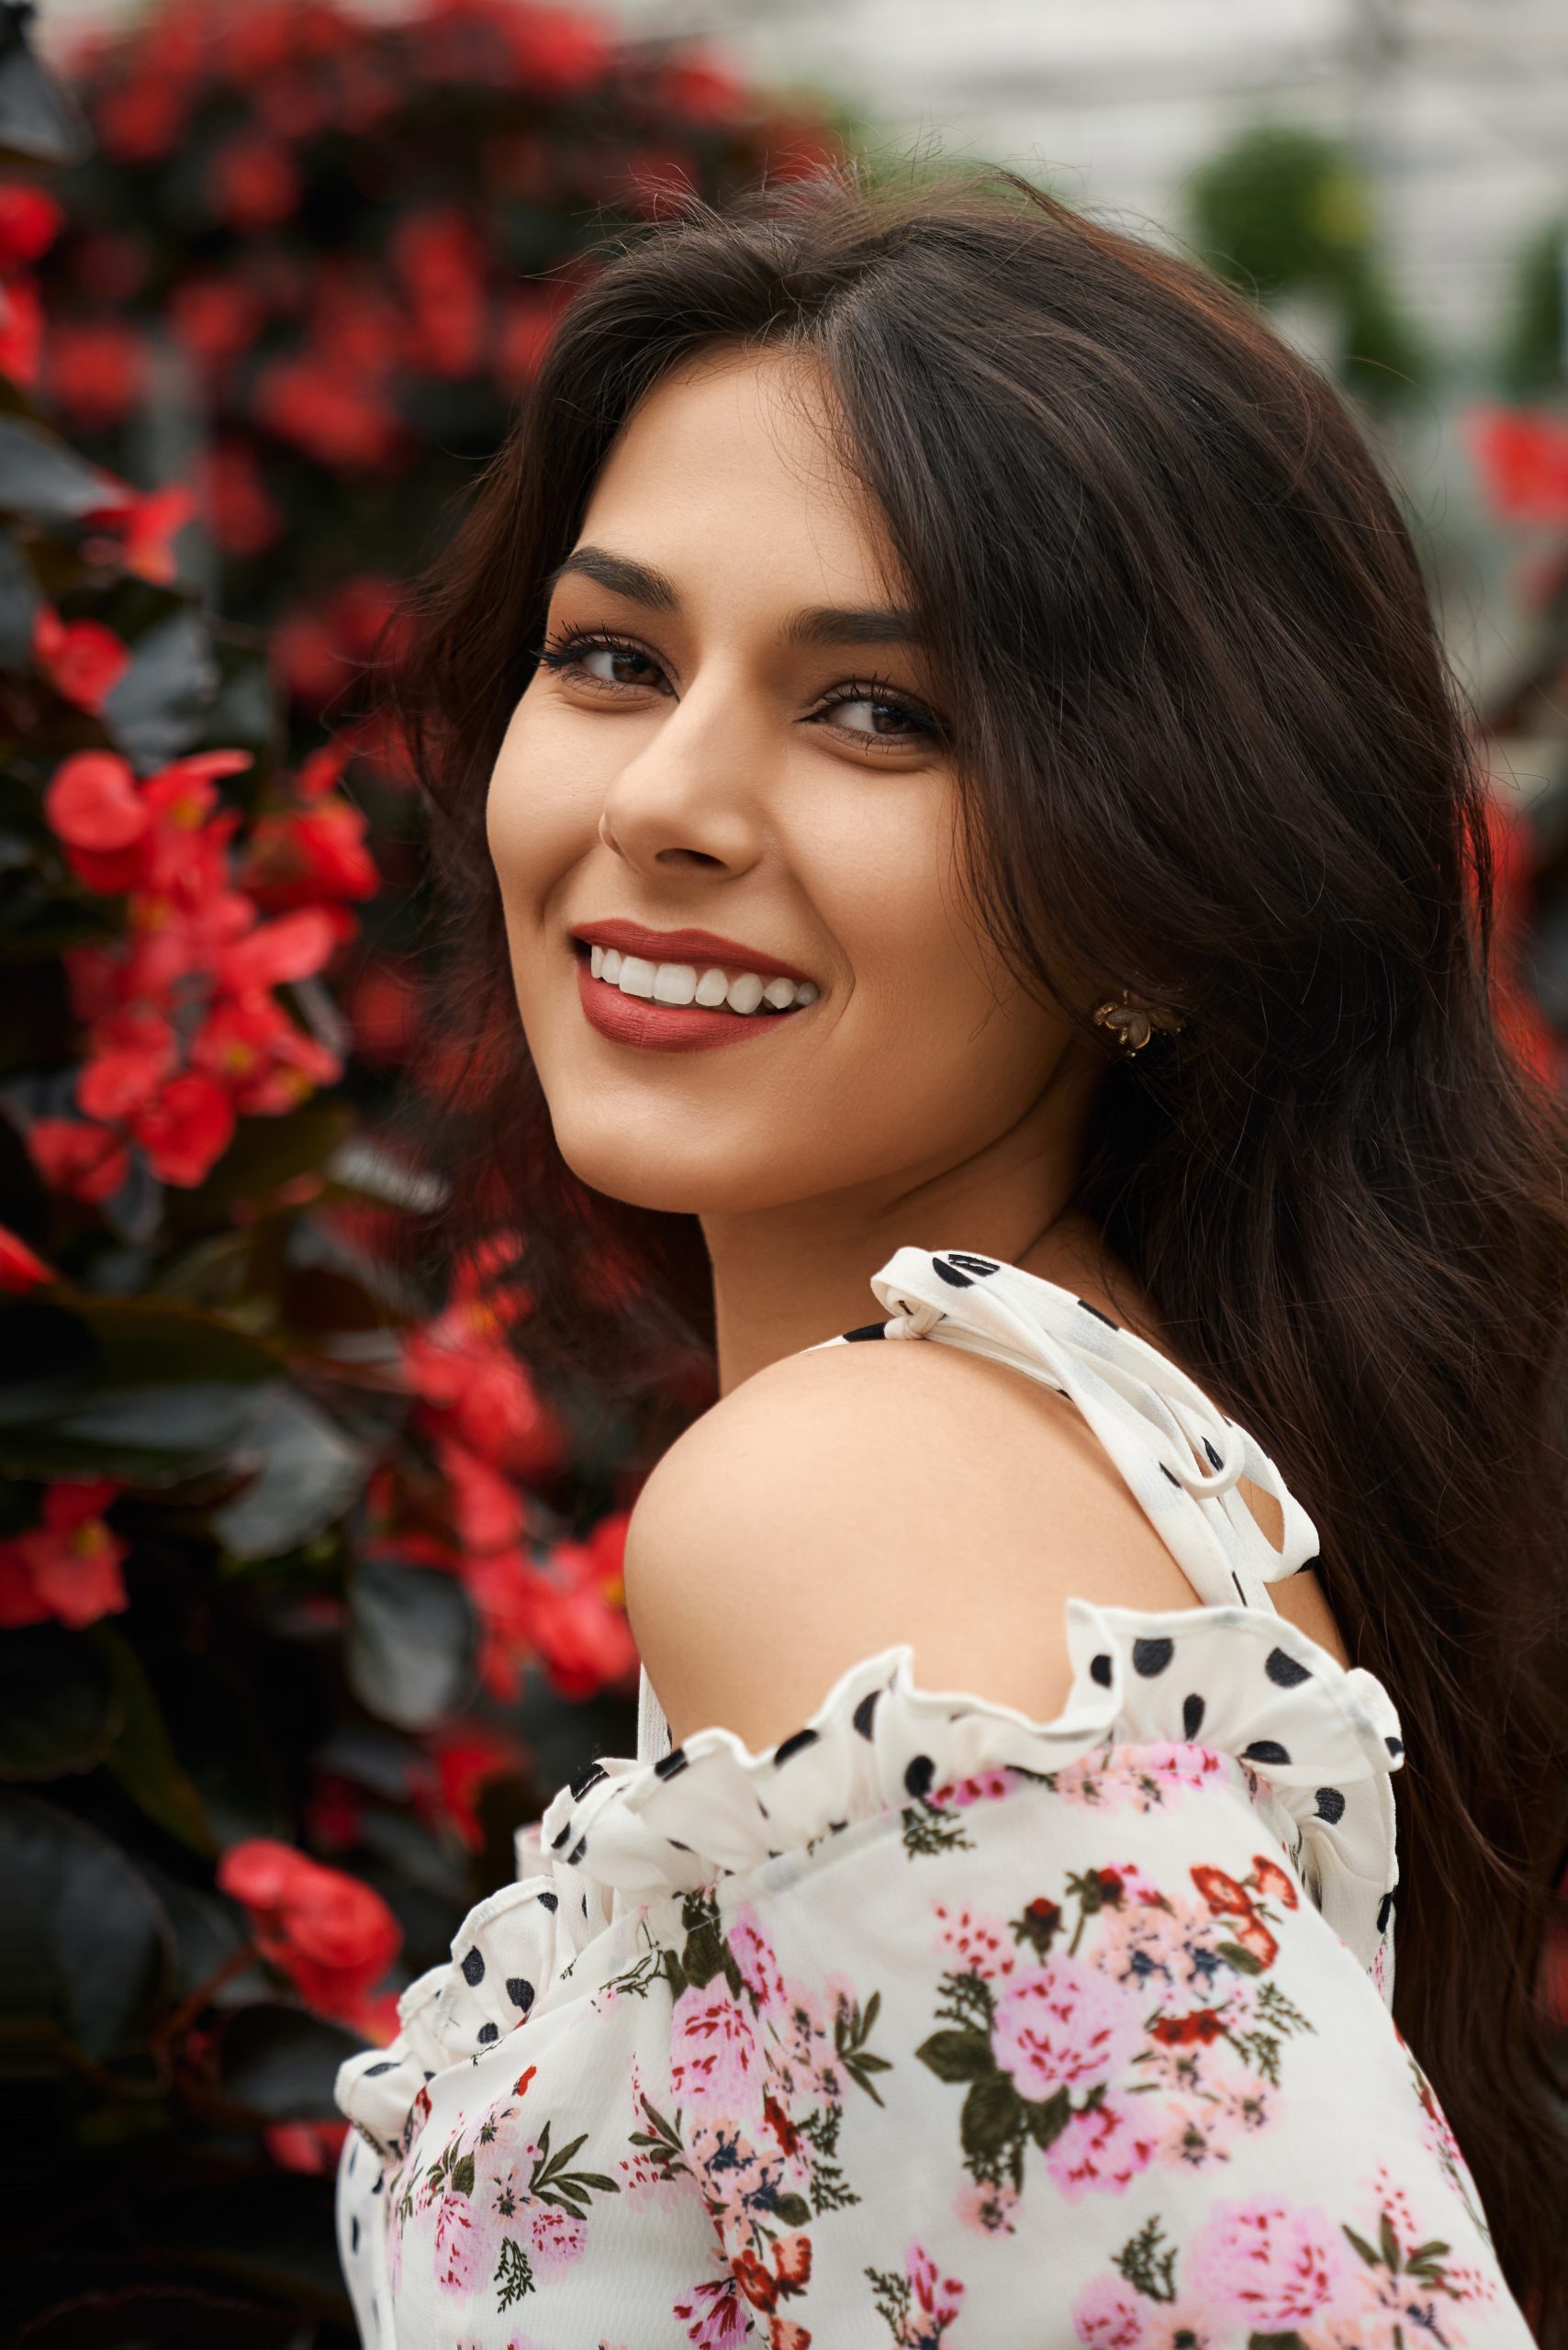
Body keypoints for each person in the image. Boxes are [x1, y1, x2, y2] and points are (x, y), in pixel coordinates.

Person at [334, 166, 1568, 2348]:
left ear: (1166, 881)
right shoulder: (1118, 1445)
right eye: (612, 656)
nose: (670, 801)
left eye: (876, 711)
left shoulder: (856, 1506)